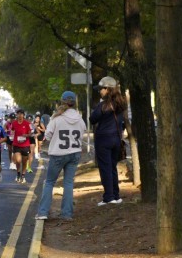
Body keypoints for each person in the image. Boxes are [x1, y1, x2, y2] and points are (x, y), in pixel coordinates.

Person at [35, 91, 86, 221]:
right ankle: (67, 214)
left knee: (49, 182)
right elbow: (82, 133)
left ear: (62, 102)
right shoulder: (79, 119)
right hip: (74, 153)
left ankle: (43, 212)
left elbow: (47, 136)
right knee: (68, 183)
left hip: (58, 154)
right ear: (74, 103)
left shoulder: (56, 118)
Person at [90, 76, 127, 205]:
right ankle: (116, 196)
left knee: (105, 168)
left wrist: (100, 105)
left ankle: (108, 197)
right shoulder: (121, 104)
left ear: (107, 89)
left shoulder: (103, 105)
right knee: (112, 167)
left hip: (103, 139)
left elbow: (92, 119)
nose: (99, 91)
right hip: (116, 139)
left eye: (101, 89)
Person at [7, 109, 35, 183]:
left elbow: (31, 133)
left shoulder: (27, 123)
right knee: (18, 160)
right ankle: (18, 173)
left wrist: (26, 135)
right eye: (18, 114)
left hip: (25, 145)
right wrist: (12, 134)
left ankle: (23, 175)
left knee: (24, 161)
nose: (19, 115)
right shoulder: (14, 123)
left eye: (21, 114)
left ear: (23, 115)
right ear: (17, 115)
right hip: (16, 144)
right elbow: (11, 131)